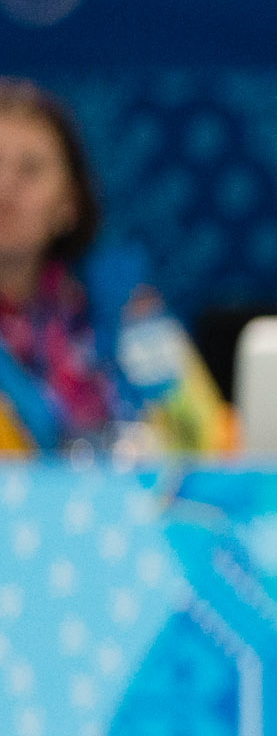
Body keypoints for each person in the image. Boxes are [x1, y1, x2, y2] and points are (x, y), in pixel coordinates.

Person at [0, 82, 232, 457]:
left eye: (30, 170)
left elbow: (204, 436)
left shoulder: (125, 302)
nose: (4, 187)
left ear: (69, 205)